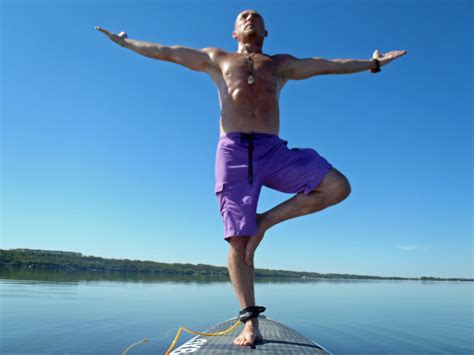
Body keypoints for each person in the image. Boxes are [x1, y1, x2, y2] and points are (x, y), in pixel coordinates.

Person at [96, 9, 407, 347]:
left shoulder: (280, 64)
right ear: (234, 32)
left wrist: (372, 63)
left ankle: (265, 223)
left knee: (337, 187)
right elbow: (166, 52)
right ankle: (250, 321)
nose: (249, 17)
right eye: (243, 15)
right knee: (238, 241)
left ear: (266, 31)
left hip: (272, 150)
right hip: (232, 151)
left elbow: (325, 64)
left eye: (256, 16)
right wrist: (127, 44)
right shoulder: (217, 59)